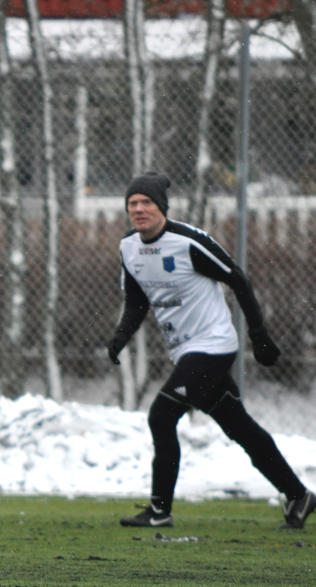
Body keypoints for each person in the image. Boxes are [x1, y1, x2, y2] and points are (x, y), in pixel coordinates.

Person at [110, 172, 314, 529]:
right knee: (240, 428)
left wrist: (259, 336)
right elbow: (137, 300)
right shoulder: (129, 247)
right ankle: (298, 496)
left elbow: (238, 279)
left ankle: (160, 511)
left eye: (147, 202)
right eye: (133, 203)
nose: (139, 209)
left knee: (161, 416)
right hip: (185, 352)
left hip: (213, 346)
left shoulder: (189, 242)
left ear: (162, 207)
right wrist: (120, 336)